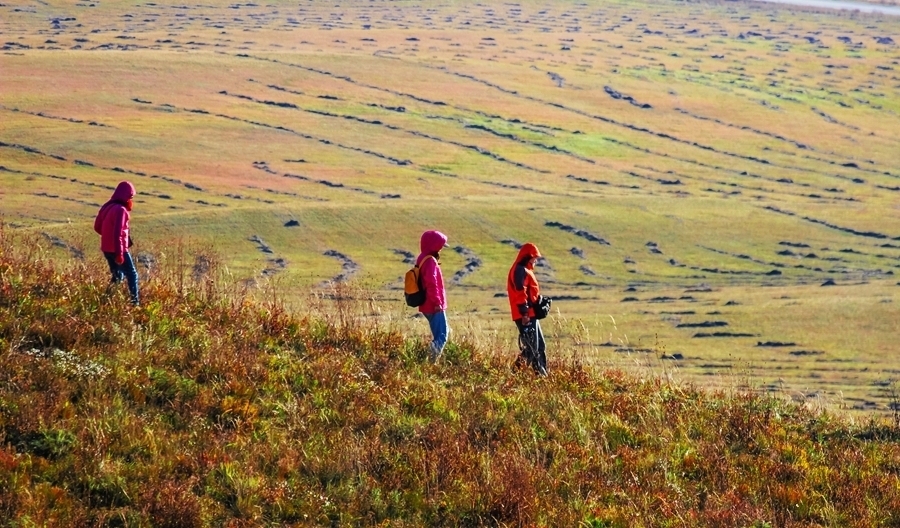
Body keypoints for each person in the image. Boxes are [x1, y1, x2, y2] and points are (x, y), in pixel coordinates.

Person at [94, 181, 139, 306]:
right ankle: (134, 303)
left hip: (106, 248)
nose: (131, 199)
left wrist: (107, 237)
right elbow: (119, 233)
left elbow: (97, 227)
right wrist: (120, 253)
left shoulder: (108, 206)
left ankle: (106, 300)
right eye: (131, 196)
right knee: (132, 274)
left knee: (117, 276)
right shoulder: (121, 210)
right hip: (118, 249)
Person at [507, 242, 548, 376]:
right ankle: (513, 375)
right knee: (531, 349)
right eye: (534, 257)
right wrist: (525, 314)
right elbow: (520, 293)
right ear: (527, 256)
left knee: (539, 346)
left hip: (530, 315)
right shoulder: (520, 270)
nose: (536, 260)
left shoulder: (524, 270)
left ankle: (541, 376)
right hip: (525, 316)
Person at [416, 230, 448, 362]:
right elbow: (432, 284)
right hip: (433, 305)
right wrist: (437, 303)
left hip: (426, 304)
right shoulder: (430, 261)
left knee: (440, 334)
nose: (441, 249)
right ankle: (429, 362)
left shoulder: (422, 258)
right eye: (440, 246)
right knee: (442, 336)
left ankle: (430, 360)